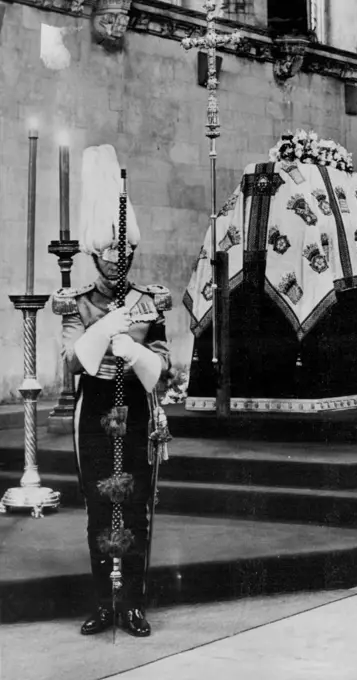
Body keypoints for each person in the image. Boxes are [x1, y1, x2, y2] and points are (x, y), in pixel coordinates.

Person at [51, 145, 172, 637]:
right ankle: (105, 602)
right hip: (96, 403)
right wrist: (107, 330)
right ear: (96, 257)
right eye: (110, 255)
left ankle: (134, 603)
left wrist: (135, 349)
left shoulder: (150, 301)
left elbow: (164, 370)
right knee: (100, 507)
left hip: (136, 407)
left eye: (126, 255)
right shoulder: (75, 304)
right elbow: (72, 363)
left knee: (137, 504)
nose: (119, 263)